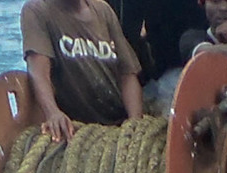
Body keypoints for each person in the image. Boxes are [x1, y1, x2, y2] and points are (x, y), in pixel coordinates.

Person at [23, 0, 145, 141]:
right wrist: (53, 112)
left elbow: (127, 74)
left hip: (117, 120)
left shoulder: (103, 10)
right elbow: (39, 72)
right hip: (76, 126)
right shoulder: (37, 10)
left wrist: (135, 123)